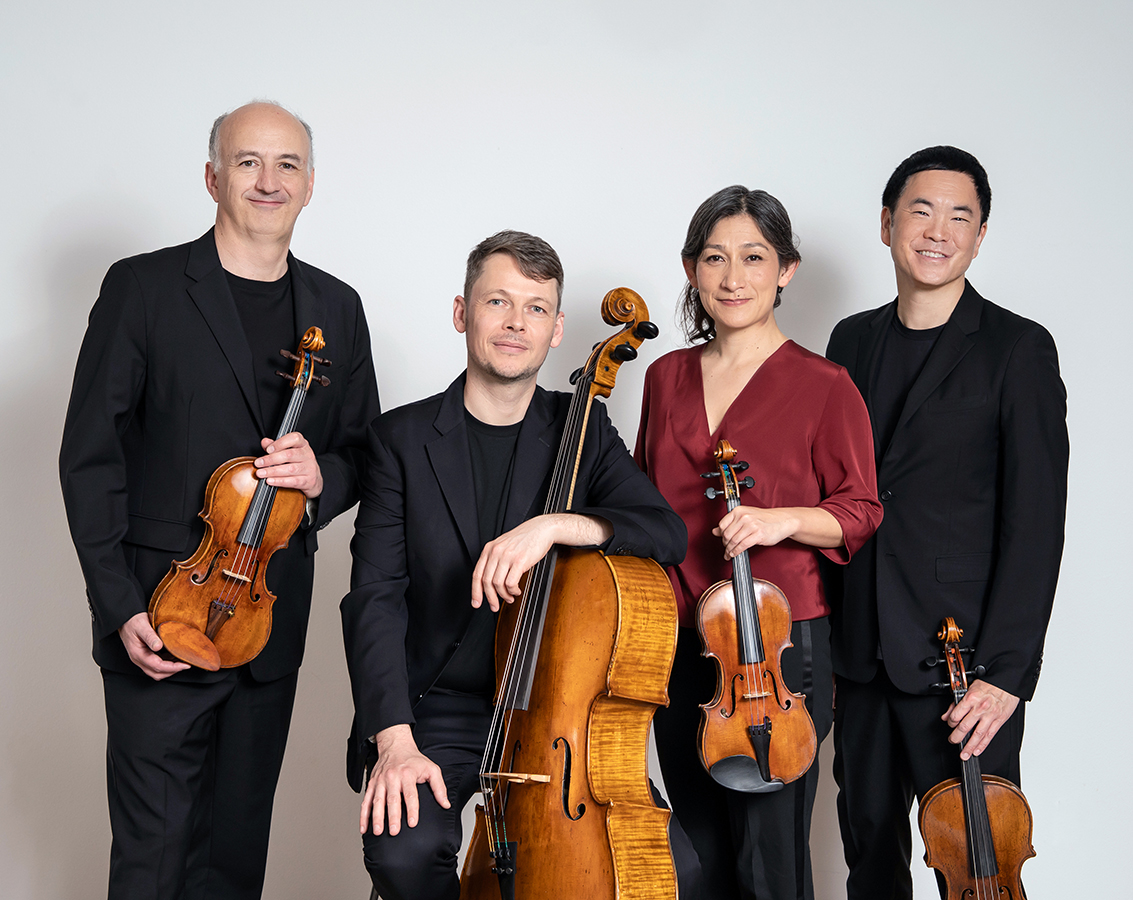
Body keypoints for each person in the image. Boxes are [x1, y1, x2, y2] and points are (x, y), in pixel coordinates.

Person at [59, 101, 381, 900]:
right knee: (153, 857)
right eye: (247, 162)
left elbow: (363, 455)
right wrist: (117, 606)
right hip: (161, 618)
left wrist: (320, 480)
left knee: (234, 860)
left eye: (286, 165)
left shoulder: (337, 307)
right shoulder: (142, 288)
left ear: (311, 185)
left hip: (266, 621)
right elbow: (89, 458)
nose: (268, 181)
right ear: (212, 177)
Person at [340, 230, 691, 900]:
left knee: (675, 870)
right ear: (460, 312)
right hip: (435, 707)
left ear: (557, 329)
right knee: (404, 855)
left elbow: (665, 533)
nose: (514, 323)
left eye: (534, 308)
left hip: (555, 707)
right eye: (497, 301)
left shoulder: (581, 428)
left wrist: (558, 524)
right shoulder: (399, 440)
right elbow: (374, 597)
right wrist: (393, 740)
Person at [824, 145, 1068, 899]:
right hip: (858, 656)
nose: (937, 230)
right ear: (887, 223)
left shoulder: (1016, 348)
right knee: (867, 860)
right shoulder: (849, 341)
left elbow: (1035, 522)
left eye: (958, 215)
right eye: (920, 210)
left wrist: (1007, 674)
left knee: (973, 869)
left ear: (980, 234)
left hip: (960, 665)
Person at [634, 185, 883, 900]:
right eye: (714, 259)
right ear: (691, 270)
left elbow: (860, 511)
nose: (732, 277)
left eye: (752, 257)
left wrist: (782, 519)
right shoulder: (663, 377)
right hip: (682, 645)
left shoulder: (824, 384)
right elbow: (651, 508)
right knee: (698, 856)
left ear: (786, 270)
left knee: (768, 866)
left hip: (777, 652)